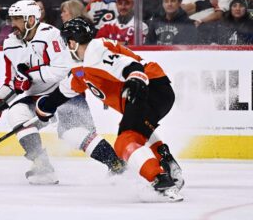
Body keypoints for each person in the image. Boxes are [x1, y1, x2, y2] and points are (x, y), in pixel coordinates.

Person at [34, 17, 184, 202]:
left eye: (66, 42)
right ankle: (165, 159)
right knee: (136, 131)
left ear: (72, 42)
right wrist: (44, 108)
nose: (65, 46)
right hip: (155, 88)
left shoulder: (94, 51)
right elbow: (65, 91)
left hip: (148, 87)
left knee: (124, 142)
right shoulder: (83, 66)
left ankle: (160, 180)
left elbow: (130, 66)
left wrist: (136, 77)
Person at [0, 0, 126, 185]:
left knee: (72, 133)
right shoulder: (10, 44)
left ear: (31, 20)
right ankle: (41, 163)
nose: (12, 24)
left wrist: (30, 76)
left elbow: (61, 69)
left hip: (64, 92)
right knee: (17, 114)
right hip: (36, 97)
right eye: (11, 19)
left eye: (17, 19)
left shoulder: (51, 35)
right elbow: (12, 81)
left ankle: (117, 165)